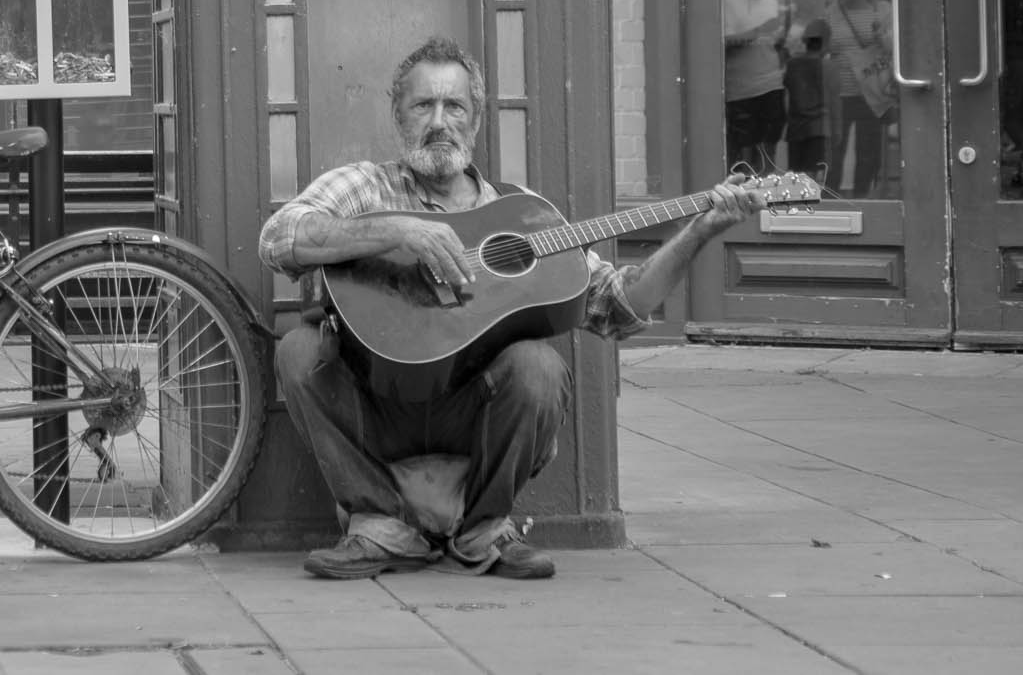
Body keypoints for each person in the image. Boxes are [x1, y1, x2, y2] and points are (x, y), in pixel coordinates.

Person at [261, 35, 768, 582]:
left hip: (473, 416)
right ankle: (382, 527)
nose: (439, 120)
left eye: (453, 106)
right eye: (422, 105)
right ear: (398, 115)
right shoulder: (366, 184)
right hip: (375, 405)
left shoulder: (522, 215)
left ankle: (484, 531)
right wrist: (400, 230)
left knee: (540, 367)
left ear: (475, 119)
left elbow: (620, 306)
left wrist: (701, 231)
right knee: (299, 350)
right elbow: (279, 237)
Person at [721, 0, 786, 172]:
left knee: (770, 141)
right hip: (742, 88)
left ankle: (770, 190)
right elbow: (723, 42)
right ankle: (746, 192)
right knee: (744, 148)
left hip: (771, 82)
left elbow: (773, 41)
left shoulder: (771, 1)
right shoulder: (729, 1)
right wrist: (759, 31)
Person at [831, 0, 893, 197]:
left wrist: (881, 38)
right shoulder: (833, 12)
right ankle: (831, 197)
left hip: (871, 90)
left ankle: (862, 196)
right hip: (839, 90)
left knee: (868, 149)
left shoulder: (883, 9)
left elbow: (894, 48)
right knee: (835, 148)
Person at [782, 19, 829, 178]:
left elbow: (787, 86)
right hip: (818, 127)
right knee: (815, 174)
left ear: (804, 40)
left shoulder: (793, 64)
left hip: (796, 128)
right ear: (827, 42)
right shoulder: (827, 66)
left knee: (796, 177)